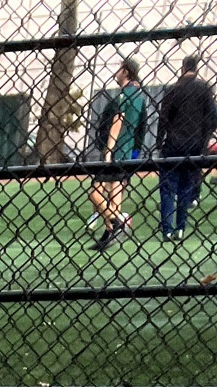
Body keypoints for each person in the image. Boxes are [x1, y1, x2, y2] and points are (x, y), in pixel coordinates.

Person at [156, 53, 217, 239]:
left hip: (173, 143)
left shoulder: (174, 89)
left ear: (182, 68)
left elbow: (164, 117)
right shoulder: (204, 89)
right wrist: (205, 136)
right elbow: (214, 115)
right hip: (195, 145)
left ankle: (167, 228)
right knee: (186, 185)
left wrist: (160, 141)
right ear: (196, 69)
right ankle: (181, 226)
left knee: (167, 187)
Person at [91, 56, 147, 250]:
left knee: (95, 193)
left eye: (119, 69)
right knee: (115, 197)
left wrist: (109, 150)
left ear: (126, 71)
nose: (116, 73)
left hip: (115, 152)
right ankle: (108, 235)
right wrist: (135, 152)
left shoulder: (124, 96)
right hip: (127, 152)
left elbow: (117, 121)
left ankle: (117, 223)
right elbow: (141, 128)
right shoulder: (140, 98)